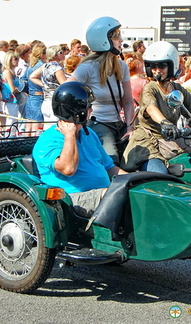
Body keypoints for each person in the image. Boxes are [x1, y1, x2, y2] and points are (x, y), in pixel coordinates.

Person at [121, 41, 191, 173]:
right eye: (153, 66)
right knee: (161, 175)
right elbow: (151, 108)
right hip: (148, 145)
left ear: (172, 66)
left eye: (162, 66)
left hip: (169, 142)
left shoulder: (177, 89)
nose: (157, 70)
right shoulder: (150, 88)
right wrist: (165, 123)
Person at [33, 81, 127, 217]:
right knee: (116, 196)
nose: (91, 111)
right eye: (89, 107)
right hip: (70, 201)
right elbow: (68, 169)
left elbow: (110, 168)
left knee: (134, 193)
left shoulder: (89, 133)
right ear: (78, 112)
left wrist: (135, 180)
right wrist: (70, 134)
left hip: (101, 195)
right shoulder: (48, 140)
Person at [67, 16, 135, 164]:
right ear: (104, 39)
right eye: (117, 36)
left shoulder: (121, 66)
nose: (121, 40)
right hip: (97, 124)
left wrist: (130, 127)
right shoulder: (88, 67)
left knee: (136, 158)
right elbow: (65, 92)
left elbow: (128, 101)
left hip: (119, 124)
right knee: (111, 160)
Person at [30, 45, 67, 129]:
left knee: (47, 129)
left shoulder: (44, 66)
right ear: (55, 55)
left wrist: (46, 85)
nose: (63, 54)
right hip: (55, 102)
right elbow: (65, 84)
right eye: (61, 52)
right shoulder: (57, 68)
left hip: (46, 102)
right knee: (56, 130)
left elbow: (32, 76)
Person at [25, 43, 46, 136]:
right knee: (36, 128)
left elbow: (22, 79)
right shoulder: (41, 66)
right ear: (41, 54)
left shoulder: (31, 65)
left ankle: (24, 148)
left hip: (31, 97)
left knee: (28, 126)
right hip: (38, 97)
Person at [1, 50, 22, 137]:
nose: (18, 61)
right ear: (10, 60)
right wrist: (20, 91)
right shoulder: (7, 72)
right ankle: (8, 137)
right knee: (11, 120)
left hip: (13, 100)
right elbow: (12, 88)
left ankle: (11, 136)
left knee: (14, 120)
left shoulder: (12, 72)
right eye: (15, 59)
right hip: (10, 100)